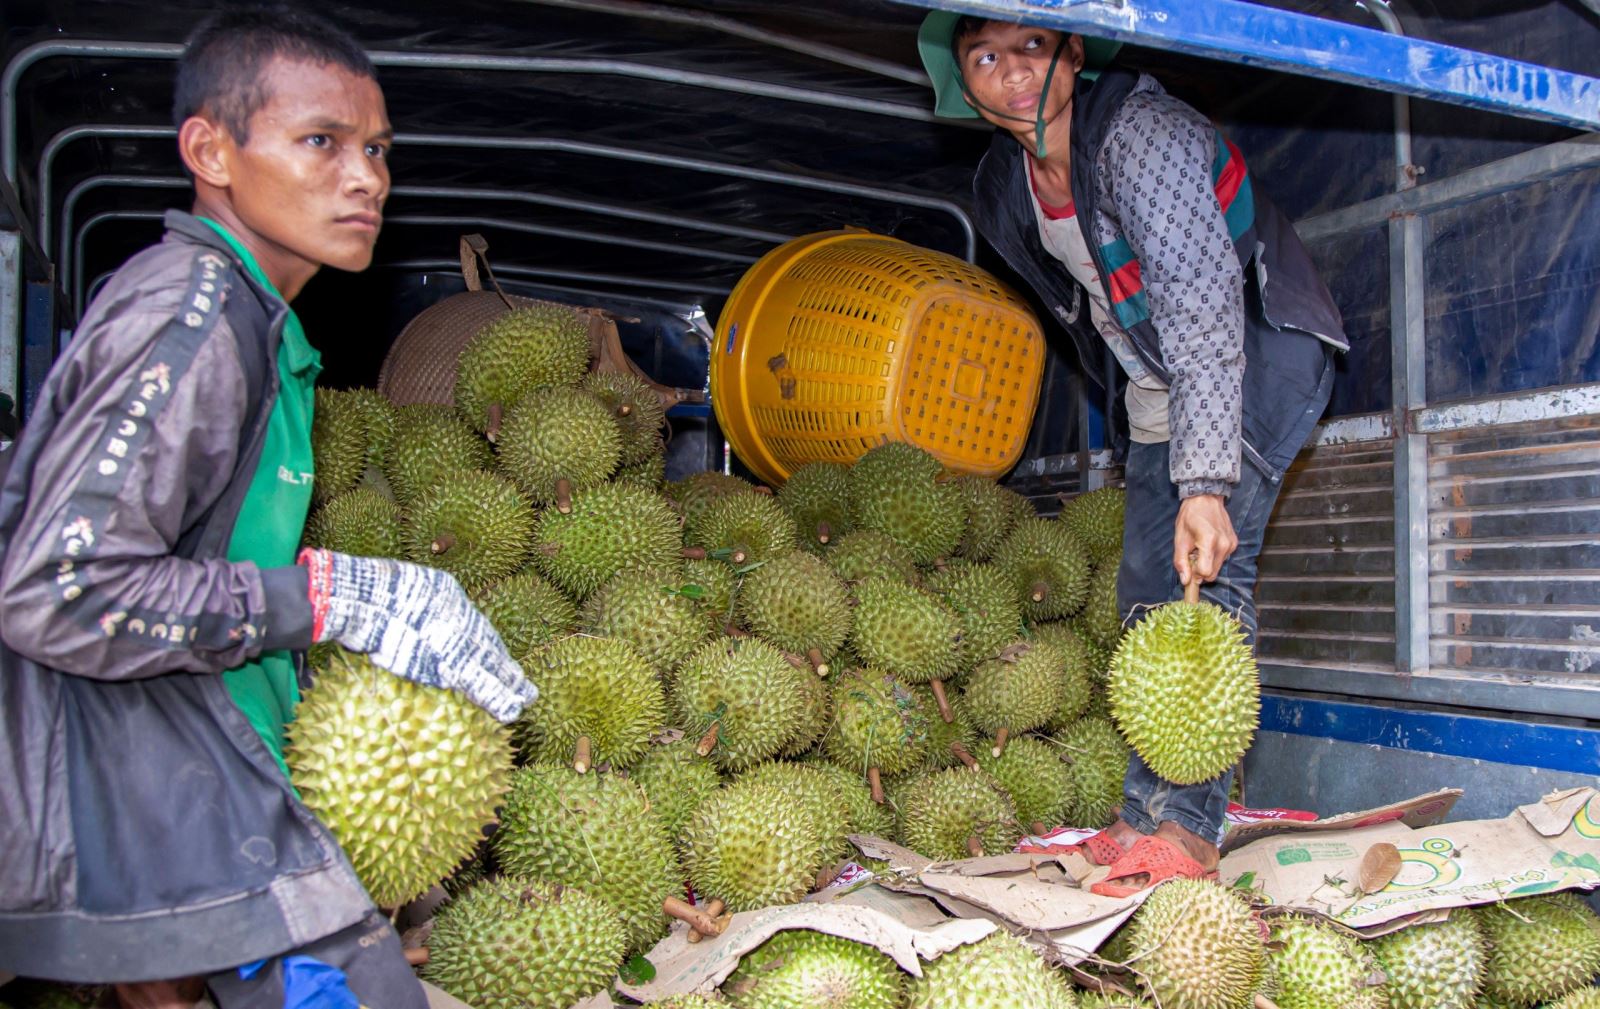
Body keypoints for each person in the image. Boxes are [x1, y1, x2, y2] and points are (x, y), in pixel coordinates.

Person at [0, 7, 536, 1005]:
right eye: (321, 143)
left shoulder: (261, 336)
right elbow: (57, 591)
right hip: (138, 789)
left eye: (377, 149)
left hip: (196, 779)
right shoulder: (188, 318)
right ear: (209, 149)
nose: (366, 176)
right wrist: (330, 598)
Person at [917, 14, 1348, 895]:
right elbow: (1103, 318)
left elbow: (1199, 305)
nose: (1013, 75)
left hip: (1254, 347)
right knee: (1145, 587)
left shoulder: (1141, 136)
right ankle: (1144, 811)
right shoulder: (1007, 185)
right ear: (963, 83)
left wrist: (1204, 483)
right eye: (986, 58)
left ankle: (1187, 832)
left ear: (1074, 52)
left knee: (1208, 578)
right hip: (1162, 376)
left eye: (1033, 48)